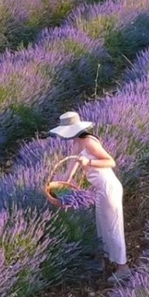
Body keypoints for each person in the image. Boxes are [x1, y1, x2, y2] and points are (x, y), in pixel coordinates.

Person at [49, 111, 130, 284]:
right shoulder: (77, 142)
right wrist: (61, 186)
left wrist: (89, 162)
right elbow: (71, 168)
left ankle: (123, 268)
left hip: (109, 188)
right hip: (100, 189)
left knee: (113, 227)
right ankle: (102, 260)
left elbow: (110, 162)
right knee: (102, 226)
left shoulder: (89, 141)